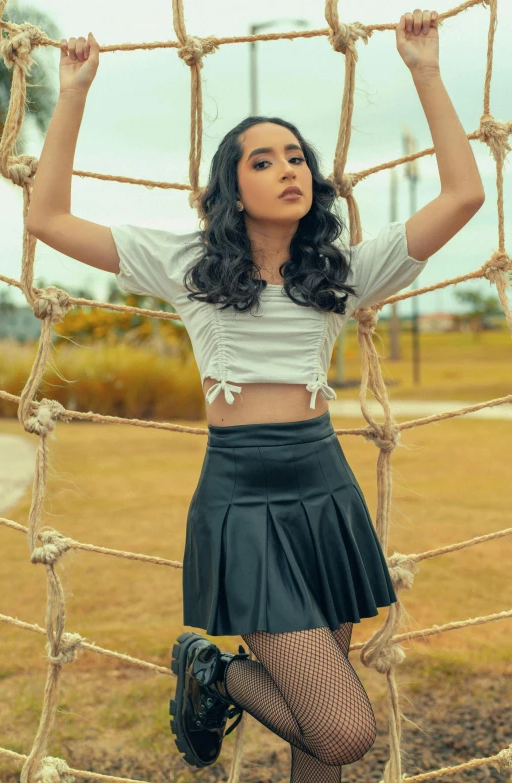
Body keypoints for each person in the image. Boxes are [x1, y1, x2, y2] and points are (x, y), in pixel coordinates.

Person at [25, 10, 485, 781]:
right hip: (243, 498)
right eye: (263, 160)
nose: (288, 168)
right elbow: (46, 217)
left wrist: (425, 71)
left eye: (296, 156)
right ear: (231, 188)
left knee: (315, 734)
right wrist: (73, 93)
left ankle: (224, 677)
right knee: (342, 730)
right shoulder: (189, 265)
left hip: (324, 489)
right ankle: (214, 670)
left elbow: (465, 196)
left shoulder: (339, 273)